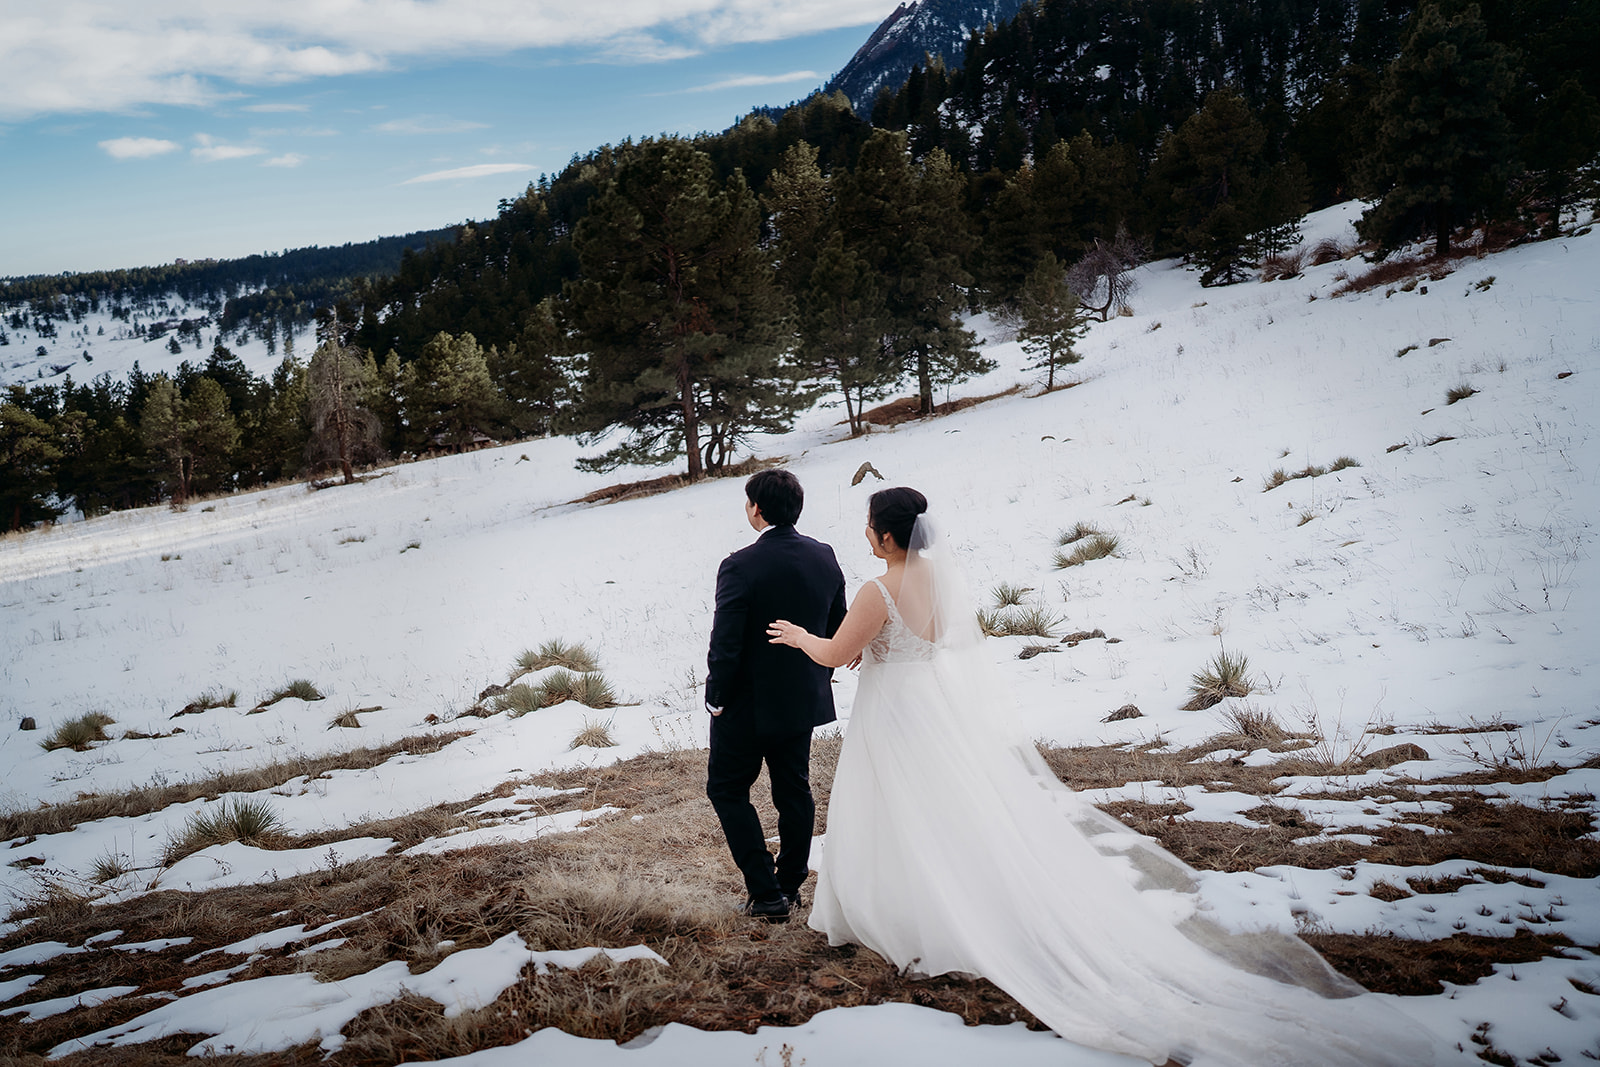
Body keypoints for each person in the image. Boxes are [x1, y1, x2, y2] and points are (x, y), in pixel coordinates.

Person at [767, 487, 1439, 1066]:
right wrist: (876, 648)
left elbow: (836, 651)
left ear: (885, 534)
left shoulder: (876, 586)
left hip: (894, 714)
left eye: (867, 525)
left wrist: (801, 636)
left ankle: (903, 915)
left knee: (893, 808)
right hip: (930, 703)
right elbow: (925, 639)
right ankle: (944, 903)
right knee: (946, 808)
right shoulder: (938, 579)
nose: (863, 532)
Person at [706, 469, 847, 923]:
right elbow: (836, 623)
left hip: (744, 704)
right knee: (793, 789)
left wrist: (716, 696)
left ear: (757, 509)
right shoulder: (823, 556)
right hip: (801, 698)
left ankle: (765, 893)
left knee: (727, 789)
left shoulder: (739, 565)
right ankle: (789, 886)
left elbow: (725, 642)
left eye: (748, 503)